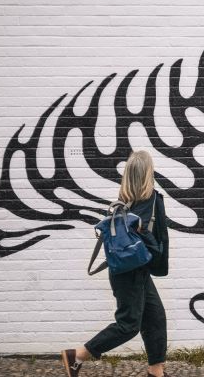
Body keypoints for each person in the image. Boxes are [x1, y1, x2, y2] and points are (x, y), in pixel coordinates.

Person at [61, 150, 170, 377]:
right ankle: (78, 355)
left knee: (155, 318)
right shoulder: (150, 200)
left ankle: (156, 371)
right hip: (131, 272)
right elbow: (159, 238)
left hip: (129, 269)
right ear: (148, 173)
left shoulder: (124, 203)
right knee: (128, 324)